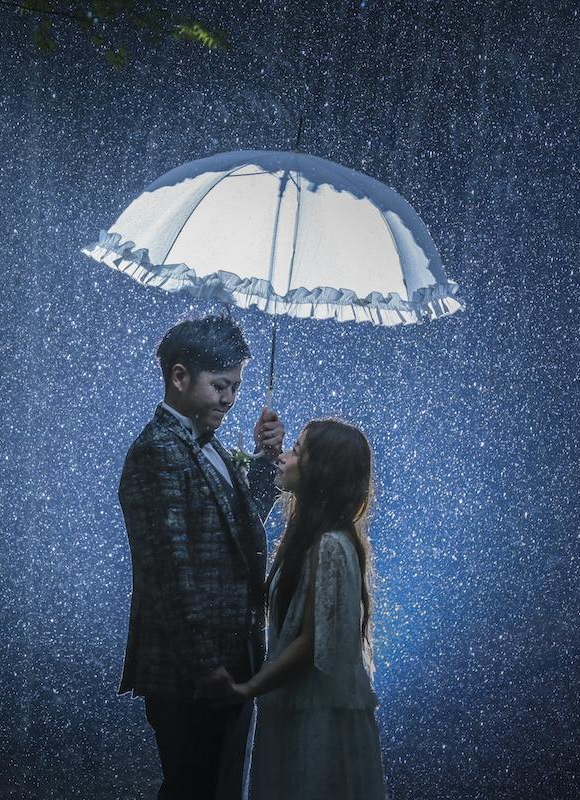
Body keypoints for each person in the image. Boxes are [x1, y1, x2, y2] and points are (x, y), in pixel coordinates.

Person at [118, 315, 285, 800]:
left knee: (221, 789)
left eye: (236, 387)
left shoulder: (207, 446)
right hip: (190, 672)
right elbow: (170, 572)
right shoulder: (157, 453)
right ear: (179, 376)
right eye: (220, 385)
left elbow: (238, 531)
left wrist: (265, 462)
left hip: (232, 659)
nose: (230, 399)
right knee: (194, 790)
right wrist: (206, 665)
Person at [220, 418, 387, 800]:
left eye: (296, 450)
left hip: (317, 718)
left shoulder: (330, 546)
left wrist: (247, 688)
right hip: (298, 708)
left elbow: (312, 643)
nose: (285, 456)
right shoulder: (307, 537)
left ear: (321, 470)